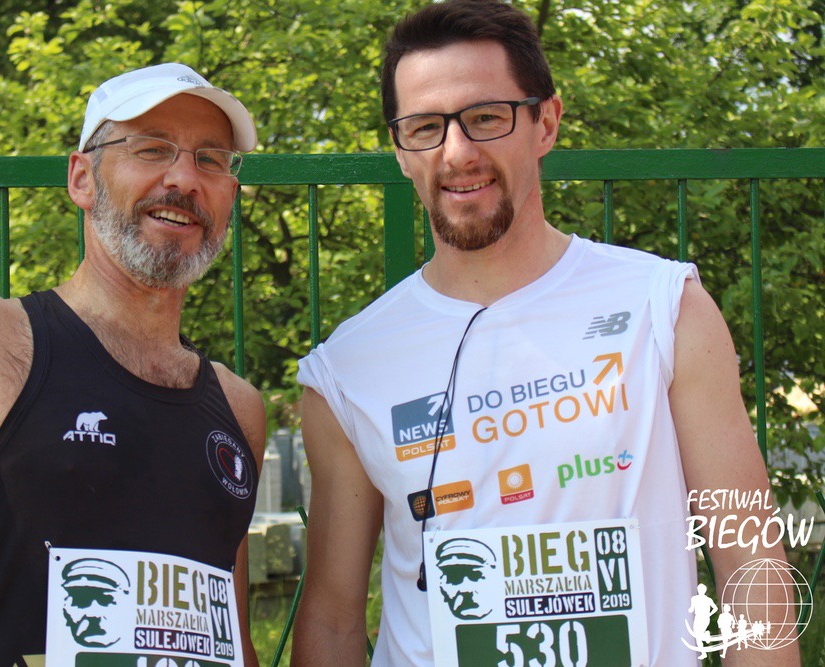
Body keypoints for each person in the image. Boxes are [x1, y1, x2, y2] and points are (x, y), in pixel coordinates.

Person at [291, 1, 797, 666]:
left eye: (486, 117)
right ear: (400, 150)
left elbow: (753, 569)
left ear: (546, 123)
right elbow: (331, 619)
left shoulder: (665, 309)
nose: (457, 153)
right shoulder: (347, 368)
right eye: (425, 127)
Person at [0, 63, 266, 665]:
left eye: (210, 159)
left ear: (229, 199)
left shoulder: (239, 408)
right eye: (151, 148)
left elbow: (231, 643)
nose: (184, 178)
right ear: (82, 178)